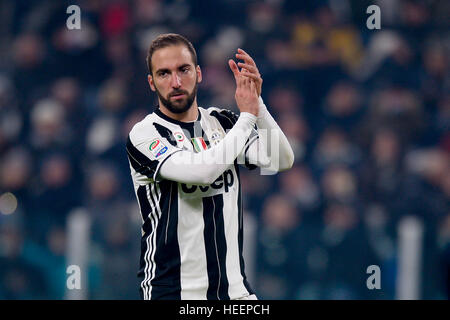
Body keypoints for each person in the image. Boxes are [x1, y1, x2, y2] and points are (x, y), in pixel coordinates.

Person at [126, 33, 294, 300]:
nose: (176, 82)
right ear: (151, 82)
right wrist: (248, 116)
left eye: (183, 70)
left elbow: (280, 159)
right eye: (164, 74)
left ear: (199, 73)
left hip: (235, 292)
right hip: (174, 292)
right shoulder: (145, 134)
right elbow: (203, 172)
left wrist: (257, 104)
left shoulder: (223, 122)